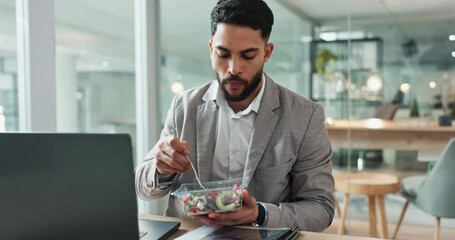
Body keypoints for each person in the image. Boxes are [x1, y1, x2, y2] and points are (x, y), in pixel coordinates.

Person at [135, 0, 334, 231]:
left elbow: (321, 209)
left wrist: (260, 213)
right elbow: (142, 186)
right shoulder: (184, 106)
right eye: (223, 54)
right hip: (188, 233)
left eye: (248, 56)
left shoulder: (304, 116)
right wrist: (161, 170)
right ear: (211, 49)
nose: (233, 68)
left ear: (267, 53)